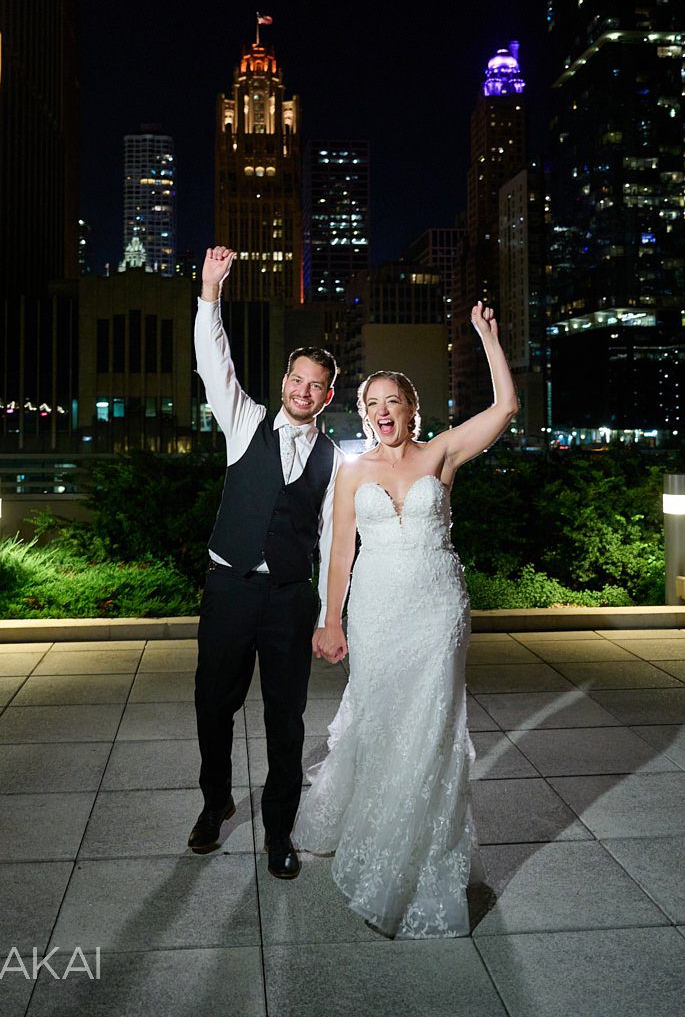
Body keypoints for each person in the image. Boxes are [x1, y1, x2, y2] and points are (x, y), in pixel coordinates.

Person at [293, 301, 519, 937]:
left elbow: (504, 409)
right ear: (362, 413)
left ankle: (415, 864)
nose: (382, 411)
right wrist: (328, 620)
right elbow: (340, 550)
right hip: (376, 611)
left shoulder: (441, 454)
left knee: (431, 732)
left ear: (412, 409)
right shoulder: (351, 470)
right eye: (372, 403)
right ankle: (366, 826)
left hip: (437, 611)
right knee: (381, 721)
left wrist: (487, 339)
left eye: (393, 401)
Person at [189, 246, 342, 880]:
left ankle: (279, 830)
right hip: (229, 587)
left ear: (328, 396)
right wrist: (209, 292)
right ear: (284, 381)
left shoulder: (336, 459)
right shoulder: (244, 419)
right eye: (296, 379)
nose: (303, 391)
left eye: (316, 385)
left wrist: (330, 617)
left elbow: (335, 541)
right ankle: (215, 801)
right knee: (212, 704)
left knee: (286, 717)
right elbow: (212, 360)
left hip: (287, 598)